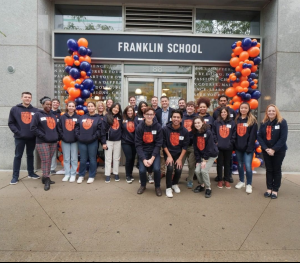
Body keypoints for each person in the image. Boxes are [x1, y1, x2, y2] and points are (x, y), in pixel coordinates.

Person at [8, 92, 39, 185]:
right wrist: (18, 132)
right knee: (18, 156)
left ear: (31, 99)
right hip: (19, 138)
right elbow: (11, 123)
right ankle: (15, 177)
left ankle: (31, 173)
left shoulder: (36, 110)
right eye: (25, 97)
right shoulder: (15, 109)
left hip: (32, 138)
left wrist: (35, 133)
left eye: (29, 97)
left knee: (30, 155)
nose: (27, 99)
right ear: (22, 98)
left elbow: (38, 124)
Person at [258, 105, 288, 199]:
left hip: (279, 151)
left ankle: (275, 190)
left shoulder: (282, 122)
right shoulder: (264, 123)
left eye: (273, 111)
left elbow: (283, 138)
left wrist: (273, 149)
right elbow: (259, 137)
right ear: (267, 112)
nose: (271, 112)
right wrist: (266, 148)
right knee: (269, 170)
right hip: (266, 151)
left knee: (276, 170)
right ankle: (269, 188)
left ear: (276, 112)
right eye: (269, 111)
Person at [30, 97, 59, 191]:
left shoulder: (53, 115)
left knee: (49, 160)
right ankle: (47, 179)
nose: (49, 106)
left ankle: (44, 177)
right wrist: (44, 136)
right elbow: (33, 128)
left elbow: (55, 128)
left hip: (53, 141)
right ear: (42, 105)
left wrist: (56, 137)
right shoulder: (37, 115)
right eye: (47, 104)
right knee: (45, 160)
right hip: (42, 142)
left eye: (50, 104)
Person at [135, 107, 163, 197]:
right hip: (143, 151)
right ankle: (143, 185)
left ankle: (157, 187)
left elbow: (158, 144)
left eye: (151, 114)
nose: (149, 116)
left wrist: (152, 158)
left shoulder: (158, 127)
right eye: (147, 114)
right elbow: (138, 144)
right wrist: (143, 159)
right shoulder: (140, 127)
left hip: (154, 151)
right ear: (144, 115)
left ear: (154, 115)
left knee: (156, 169)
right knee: (142, 170)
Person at [163, 110, 189, 198]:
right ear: (171, 118)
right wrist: (169, 156)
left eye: (178, 117)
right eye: (174, 117)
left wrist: (180, 159)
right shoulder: (165, 129)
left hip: (179, 153)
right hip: (168, 152)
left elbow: (185, 146)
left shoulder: (184, 131)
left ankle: (174, 184)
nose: (176, 119)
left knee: (178, 169)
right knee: (170, 168)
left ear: (181, 119)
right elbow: (163, 144)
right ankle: (168, 187)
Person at [75, 102, 102, 184]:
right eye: (89, 106)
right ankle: (81, 175)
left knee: (92, 159)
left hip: (93, 142)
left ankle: (91, 176)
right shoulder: (82, 117)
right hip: (82, 141)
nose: (90, 108)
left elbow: (99, 130)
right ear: (87, 108)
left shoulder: (98, 118)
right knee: (82, 159)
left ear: (95, 108)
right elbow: (77, 127)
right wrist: (78, 136)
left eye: (92, 106)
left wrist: (93, 137)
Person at [234, 102, 258, 194]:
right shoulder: (237, 120)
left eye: (245, 108)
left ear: (248, 109)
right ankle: (241, 181)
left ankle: (249, 184)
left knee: (248, 166)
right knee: (240, 165)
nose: (243, 109)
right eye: (242, 108)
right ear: (239, 109)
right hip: (238, 147)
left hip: (248, 148)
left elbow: (253, 136)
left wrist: (249, 147)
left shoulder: (252, 121)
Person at [192, 116, 219, 198]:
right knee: (197, 171)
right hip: (202, 155)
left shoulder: (208, 132)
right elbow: (196, 148)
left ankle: (208, 188)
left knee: (204, 171)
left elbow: (209, 147)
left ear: (203, 122)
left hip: (211, 155)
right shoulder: (195, 133)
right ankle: (202, 185)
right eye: (195, 123)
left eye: (198, 123)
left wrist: (204, 160)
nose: (197, 125)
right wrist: (198, 161)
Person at [213, 95, 236, 184]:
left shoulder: (232, 112)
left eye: (224, 100)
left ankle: (228, 176)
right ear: (219, 102)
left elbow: (234, 131)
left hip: (228, 145)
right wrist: (216, 141)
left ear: (227, 101)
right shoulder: (215, 113)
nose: (223, 102)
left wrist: (231, 142)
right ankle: (219, 177)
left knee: (228, 161)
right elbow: (214, 130)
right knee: (219, 162)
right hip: (219, 144)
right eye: (221, 100)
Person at [58, 101, 79, 183]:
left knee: (74, 158)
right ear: (67, 107)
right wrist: (63, 137)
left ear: (75, 107)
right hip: (65, 140)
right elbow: (59, 129)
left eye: (72, 106)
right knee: (66, 158)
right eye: (69, 106)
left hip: (75, 141)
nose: (71, 107)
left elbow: (80, 129)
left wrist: (77, 137)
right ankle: (67, 174)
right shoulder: (62, 117)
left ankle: (73, 174)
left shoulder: (78, 117)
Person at [101, 103, 123, 183]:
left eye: (118, 108)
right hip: (108, 141)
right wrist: (103, 142)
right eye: (115, 107)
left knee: (116, 158)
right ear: (112, 108)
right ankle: (107, 174)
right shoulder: (106, 117)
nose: (116, 109)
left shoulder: (120, 117)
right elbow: (103, 130)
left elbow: (122, 129)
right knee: (108, 158)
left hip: (118, 140)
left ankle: (116, 173)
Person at [134, 101, 154, 183]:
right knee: (141, 160)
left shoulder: (152, 118)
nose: (143, 107)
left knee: (151, 161)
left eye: (145, 106)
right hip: (141, 143)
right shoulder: (137, 117)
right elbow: (136, 129)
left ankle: (149, 175)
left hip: (150, 144)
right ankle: (142, 176)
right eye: (141, 106)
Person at [156, 96, 175, 178]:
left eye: (165, 101)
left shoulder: (173, 111)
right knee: (161, 155)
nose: (164, 102)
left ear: (168, 102)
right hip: (160, 135)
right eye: (162, 101)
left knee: (171, 153)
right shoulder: (158, 112)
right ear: (160, 102)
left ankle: (172, 172)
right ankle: (163, 171)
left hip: (170, 135)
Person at [182, 101, 197, 189]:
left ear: (194, 108)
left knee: (191, 165)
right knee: (179, 163)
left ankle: (190, 180)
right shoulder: (182, 117)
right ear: (186, 107)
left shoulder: (197, 117)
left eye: (191, 106)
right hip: (183, 145)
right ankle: (176, 179)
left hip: (193, 145)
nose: (190, 108)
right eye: (188, 106)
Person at [122, 106, 137, 184]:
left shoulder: (136, 119)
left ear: (133, 111)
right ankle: (127, 175)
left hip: (134, 142)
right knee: (129, 158)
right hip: (125, 142)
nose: (130, 112)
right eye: (128, 111)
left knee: (132, 158)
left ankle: (130, 174)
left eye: (131, 111)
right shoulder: (123, 119)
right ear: (126, 112)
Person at [50, 99, 61, 175]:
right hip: (46, 135)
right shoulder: (46, 112)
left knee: (53, 153)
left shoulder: (60, 114)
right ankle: (46, 168)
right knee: (47, 154)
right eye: (54, 102)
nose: (55, 104)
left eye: (57, 103)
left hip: (56, 136)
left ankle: (52, 168)